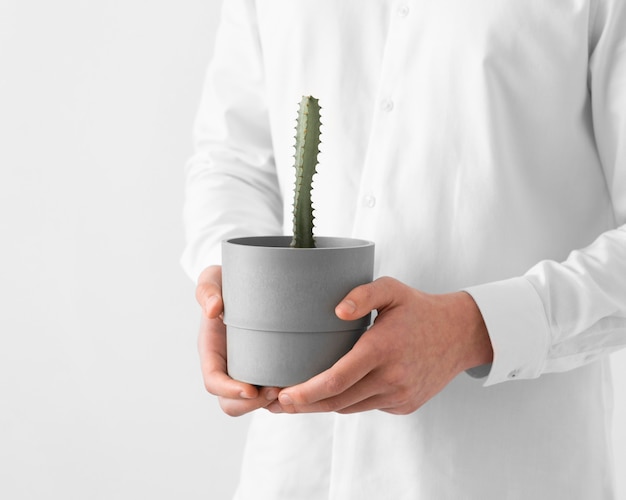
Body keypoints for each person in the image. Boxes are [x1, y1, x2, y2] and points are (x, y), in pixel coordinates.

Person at [181, 1, 626, 498]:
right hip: (294, 469)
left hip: (503, 471)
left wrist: (476, 328)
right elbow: (234, 160)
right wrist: (234, 284)